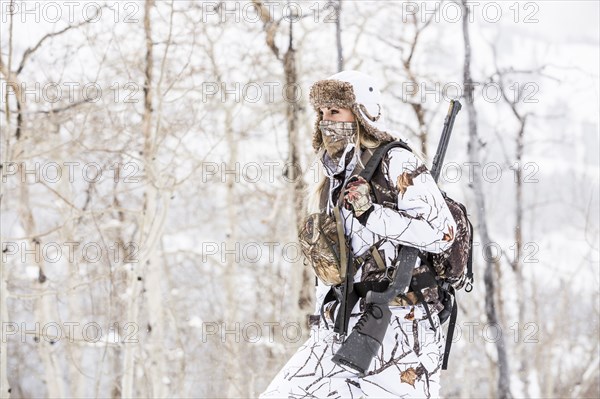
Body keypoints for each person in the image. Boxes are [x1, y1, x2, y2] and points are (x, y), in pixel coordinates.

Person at [260, 70, 457, 398]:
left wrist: (372, 215)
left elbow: (443, 233)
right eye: (321, 113)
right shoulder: (333, 177)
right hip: (344, 321)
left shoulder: (397, 162)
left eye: (335, 111)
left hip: (404, 327)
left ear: (361, 113)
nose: (326, 121)